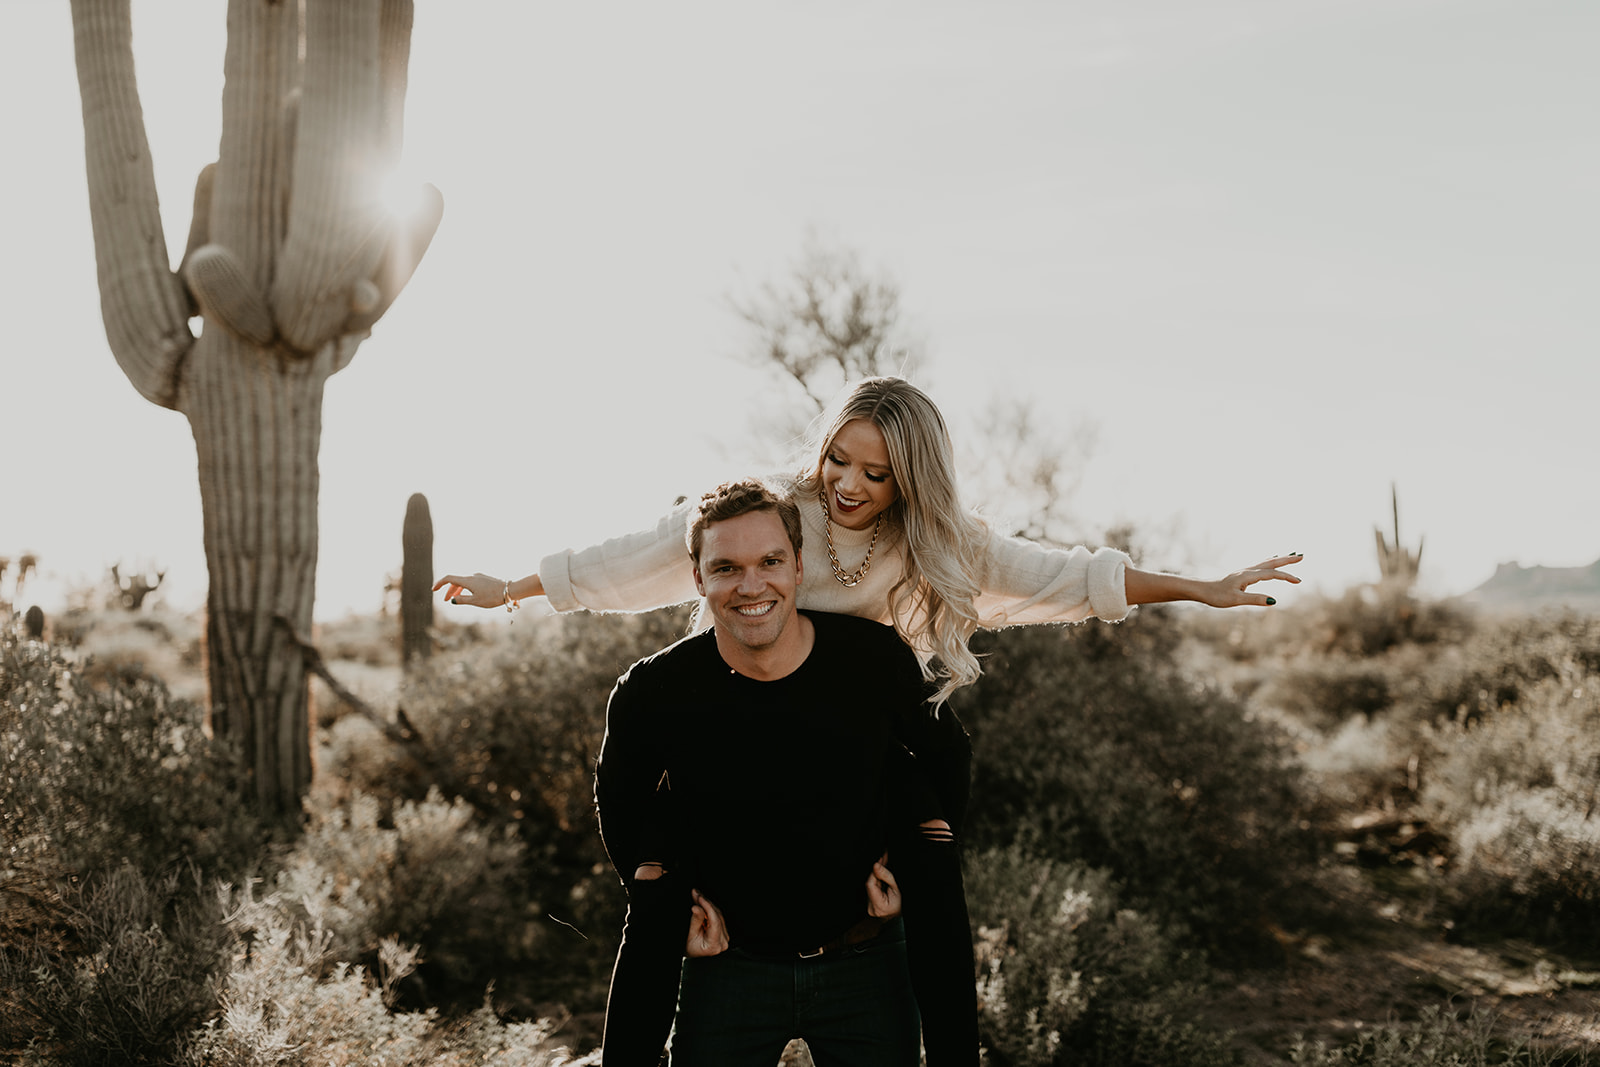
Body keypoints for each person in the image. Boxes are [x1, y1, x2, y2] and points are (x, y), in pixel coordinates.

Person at [595, 478, 963, 1064]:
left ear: (798, 566)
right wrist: (676, 904)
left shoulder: (874, 661)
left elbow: (950, 759)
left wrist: (914, 865)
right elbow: (619, 810)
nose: (751, 586)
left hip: (867, 960)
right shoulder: (653, 692)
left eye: (770, 561)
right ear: (699, 579)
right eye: (726, 568)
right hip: (728, 969)